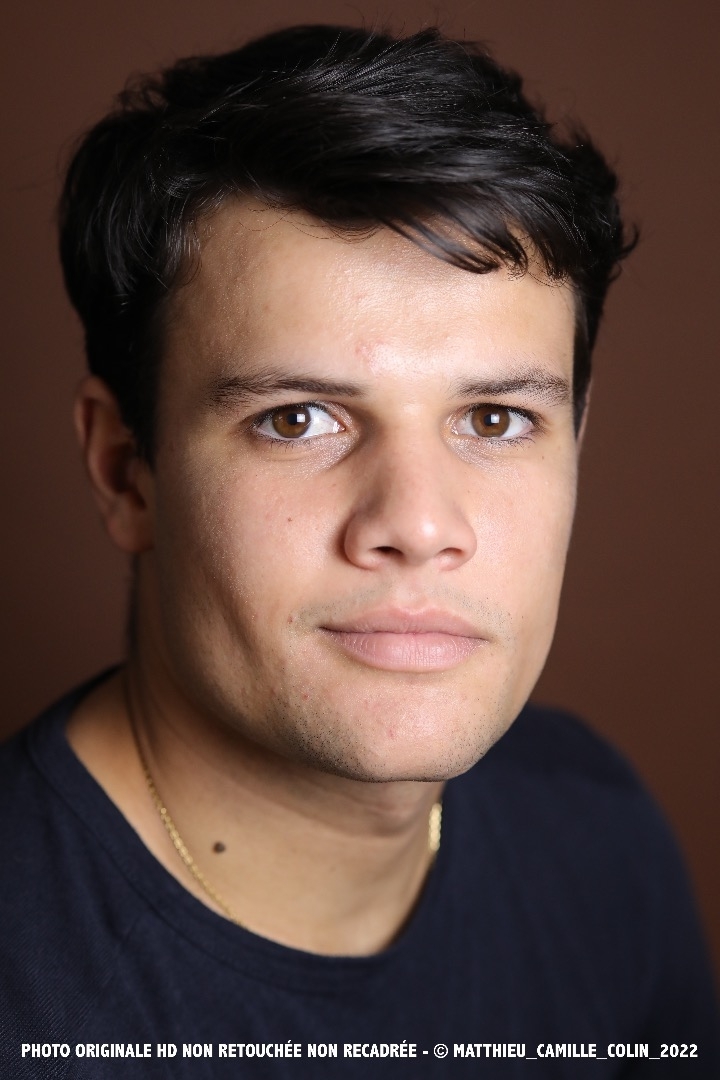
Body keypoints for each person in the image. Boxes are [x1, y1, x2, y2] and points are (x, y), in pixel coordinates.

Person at [1, 24, 717, 1078]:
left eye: (495, 420)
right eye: (297, 419)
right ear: (125, 470)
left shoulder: (598, 832)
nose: (419, 524)